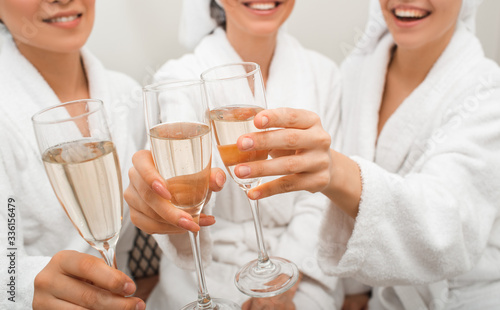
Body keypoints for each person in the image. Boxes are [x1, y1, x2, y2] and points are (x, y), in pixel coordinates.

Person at [224, 0, 500, 308]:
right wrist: (354, 291)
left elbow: (449, 227)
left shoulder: (488, 93)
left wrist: (337, 171)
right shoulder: (357, 72)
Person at [125, 0, 348, 308]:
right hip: (206, 276)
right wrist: (158, 197)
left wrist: (282, 284)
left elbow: (326, 194)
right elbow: (169, 174)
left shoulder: (325, 76)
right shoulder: (178, 78)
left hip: (301, 270)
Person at [0, 0, 211, 308]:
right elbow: (7, 271)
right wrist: (22, 289)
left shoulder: (124, 95)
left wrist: (165, 207)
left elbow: (157, 215)